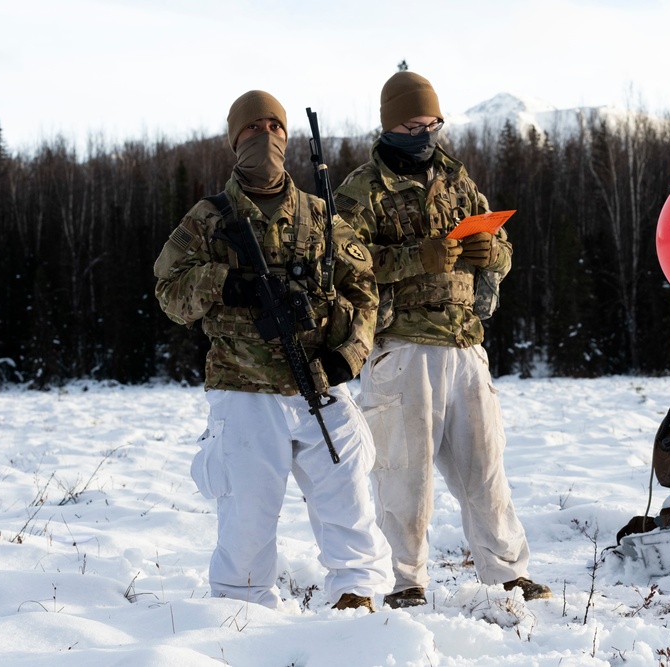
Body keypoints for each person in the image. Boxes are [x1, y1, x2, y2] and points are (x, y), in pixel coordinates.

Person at [153, 90, 394, 612]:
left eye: (275, 127)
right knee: (247, 512)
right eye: (253, 129)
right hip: (243, 387)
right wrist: (224, 284)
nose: (266, 137)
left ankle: (358, 598)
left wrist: (348, 356)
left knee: (349, 489)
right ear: (234, 140)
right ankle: (240, 614)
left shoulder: (321, 215)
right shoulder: (208, 219)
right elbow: (168, 293)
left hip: (319, 381)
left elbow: (364, 290)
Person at [333, 71, 550, 608]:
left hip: (465, 344)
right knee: (403, 475)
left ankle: (506, 574)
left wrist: (490, 254)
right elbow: (339, 266)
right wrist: (417, 258)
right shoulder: (361, 191)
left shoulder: (457, 180)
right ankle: (403, 582)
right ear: (390, 125)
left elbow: (501, 246)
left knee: (486, 470)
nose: (425, 133)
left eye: (432, 123)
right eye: (412, 124)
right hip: (402, 348)